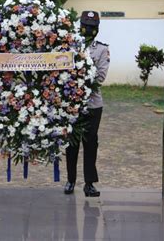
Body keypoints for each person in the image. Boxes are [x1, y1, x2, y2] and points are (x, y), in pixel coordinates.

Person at [64, 10, 110, 197]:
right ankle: (70, 180)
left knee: (91, 142)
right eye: (86, 26)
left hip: (92, 104)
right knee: (72, 143)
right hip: (73, 102)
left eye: (92, 27)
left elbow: (100, 76)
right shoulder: (71, 46)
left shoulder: (102, 49)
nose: (89, 30)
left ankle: (89, 183)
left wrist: (78, 80)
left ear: (97, 29)